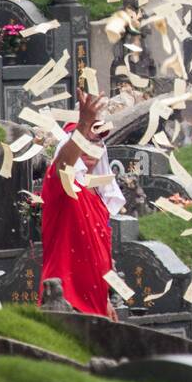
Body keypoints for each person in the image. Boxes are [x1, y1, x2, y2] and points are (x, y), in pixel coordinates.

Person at [40, 86, 125, 316]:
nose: (90, 147)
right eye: (84, 141)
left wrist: (106, 298)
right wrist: (82, 125)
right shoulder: (63, 187)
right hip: (65, 304)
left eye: (96, 142)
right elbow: (63, 166)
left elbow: (102, 255)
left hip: (96, 306)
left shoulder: (98, 198)